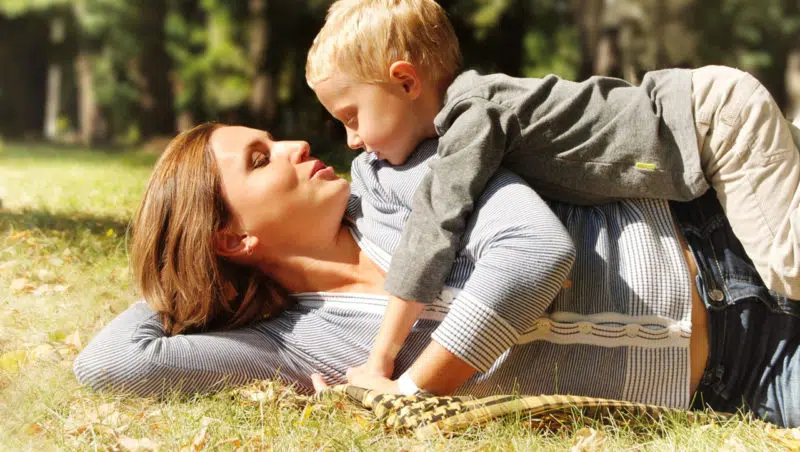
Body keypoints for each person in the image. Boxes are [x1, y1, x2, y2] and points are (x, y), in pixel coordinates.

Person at [74, 124, 800, 427]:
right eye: (261, 160)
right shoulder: (294, 344)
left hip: (724, 233)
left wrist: (411, 388)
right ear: (232, 235)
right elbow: (110, 366)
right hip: (739, 376)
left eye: (271, 140)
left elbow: (535, 255)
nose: (296, 144)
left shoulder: (397, 174)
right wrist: (181, 268)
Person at [306, 0, 800, 386]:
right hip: (706, 124)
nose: (351, 141)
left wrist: (381, 358)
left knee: (789, 268)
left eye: (352, 117)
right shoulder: (467, 120)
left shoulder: (474, 116)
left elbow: (434, 226)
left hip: (712, 124)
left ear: (407, 82)